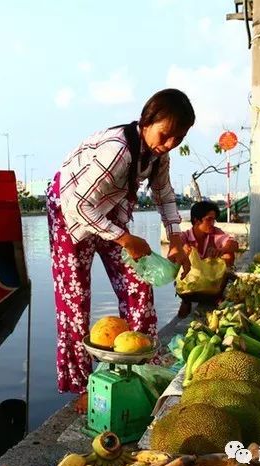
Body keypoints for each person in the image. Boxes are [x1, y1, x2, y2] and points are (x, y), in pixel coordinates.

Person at [46, 88, 195, 410]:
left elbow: (165, 196)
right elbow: (78, 204)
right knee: (75, 301)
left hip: (109, 208)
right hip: (70, 211)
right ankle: (81, 387)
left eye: (178, 138)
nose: (168, 144)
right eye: (165, 134)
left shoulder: (158, 155)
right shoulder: (118, 149)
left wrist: (177, 239)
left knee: (138, 286)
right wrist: (125, 238)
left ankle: (142, 367)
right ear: (146, 122)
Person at [175, 201, 238, 318]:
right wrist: (183, 251)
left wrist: (222, 249)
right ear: (196, 220)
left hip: (210, 283)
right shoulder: (185, 236)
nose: (212, 223)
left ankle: (215, 299)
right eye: (208, 220)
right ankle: (185, 302)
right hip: (189, 284)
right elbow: (174, 252)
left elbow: (234, 244)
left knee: (229, 255)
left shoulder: (215, 233)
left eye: (213, 220)